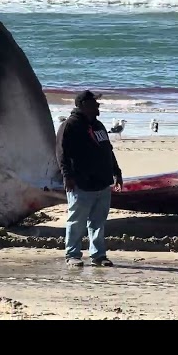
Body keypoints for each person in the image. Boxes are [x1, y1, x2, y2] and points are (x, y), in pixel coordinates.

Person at [55, 90, 123, 267]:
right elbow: (61, 154)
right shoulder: (69, 125)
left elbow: (108, 151)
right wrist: (67, 176)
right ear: (84, 105)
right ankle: (72, 255)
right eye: (94, 103)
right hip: (80, 183)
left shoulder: (99, 126)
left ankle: (98, 255)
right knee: (77, 221)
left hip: (102, 182)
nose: (98, 105)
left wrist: (117, 172)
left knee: (98, 222)